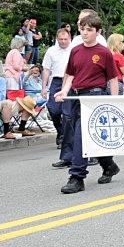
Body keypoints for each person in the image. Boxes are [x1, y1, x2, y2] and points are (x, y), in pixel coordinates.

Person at [54, 14, 120, 194]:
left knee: (81, 136)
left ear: (98, 32)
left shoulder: (104, 52)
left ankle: (77, 176)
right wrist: (64, 90)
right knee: (89, 136)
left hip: (94, 97)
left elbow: (113, 79)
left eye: (89, 30)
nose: (85, 33)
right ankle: (109, 165)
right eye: (82, 29)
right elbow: (71, 75)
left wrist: (113, 103)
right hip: (76, 96)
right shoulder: (75, 51)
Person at [41, 28, 72, 162]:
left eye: (66, 39)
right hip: (57, 80)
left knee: (67, 112)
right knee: (53, 110)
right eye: (61, 39)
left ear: (69, 38)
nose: (63, 42)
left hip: (70, 80)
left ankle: (63, 137)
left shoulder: (74, 49)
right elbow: (46, 70)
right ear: (57, 39)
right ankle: (60, 131)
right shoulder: (51, 51)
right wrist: (44, 88)